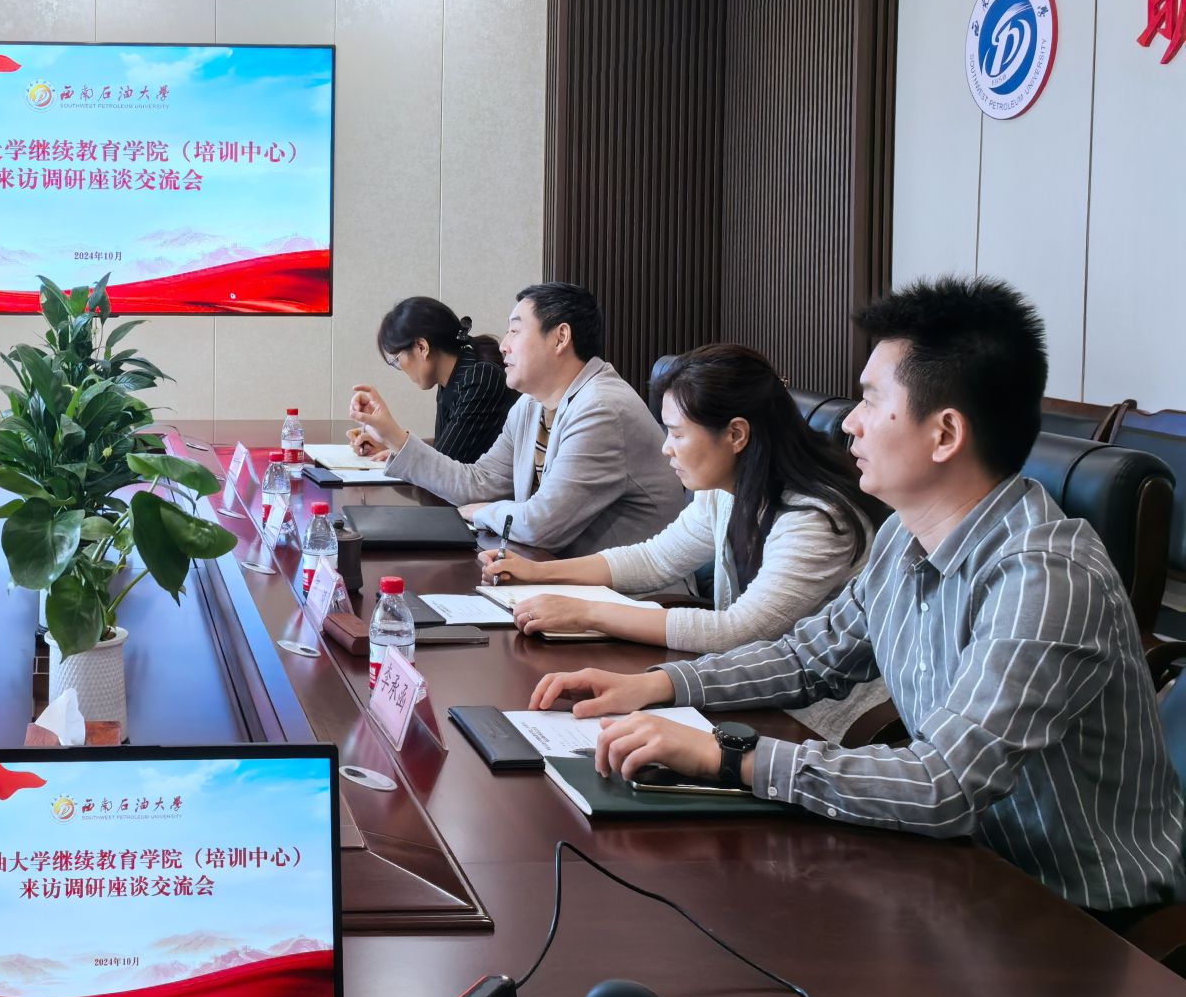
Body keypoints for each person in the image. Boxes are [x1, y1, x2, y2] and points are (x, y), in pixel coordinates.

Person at [531, 277, 1185, 919]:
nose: (850, 422)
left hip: (1077, 913)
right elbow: (807, 658)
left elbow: (945, 784)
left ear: (945, 434)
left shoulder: (1045, 578)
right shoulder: (904, 536)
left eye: (871, 401)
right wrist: (658, 685)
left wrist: (728, 757)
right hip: (959, 868)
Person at [484, 343, 888, 740]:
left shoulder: (816, 519)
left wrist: (586, 613)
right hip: (735, 687)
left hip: (814, 723)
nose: (666, 448)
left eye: (677, 434)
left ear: (736, 434)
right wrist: (540, 572)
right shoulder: (726, 489)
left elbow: (739, 631)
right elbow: (655, 559)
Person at [348, 282, 682, 557]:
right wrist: (394, 438)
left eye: (515, 331)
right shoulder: (531, 405)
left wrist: (483, 511)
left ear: (560, 338)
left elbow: (542, 525)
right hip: (557, 577)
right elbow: (478, 483)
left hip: (628, 599)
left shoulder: (601, 409)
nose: (504, 345)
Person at [372, 296, 516, 463]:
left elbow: (442, 466)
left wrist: (394, 438)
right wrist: (393, 446)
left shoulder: (480, 378)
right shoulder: (454, 378)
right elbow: (447, 445)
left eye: (397, 359)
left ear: (422, 347)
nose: (401, 368)